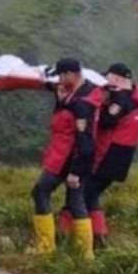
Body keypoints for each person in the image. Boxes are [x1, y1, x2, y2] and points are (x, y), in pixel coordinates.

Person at [31, 58, 102, 259]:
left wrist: (76, 171)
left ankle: (45, 246)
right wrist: (61, 100)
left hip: (68, 159)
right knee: (76, 201)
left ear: (73, 74)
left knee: (40, 191)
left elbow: (84, 140)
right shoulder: (82, 93)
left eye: (63, 75)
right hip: (67, 156)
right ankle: (84, 254)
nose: (60, 80)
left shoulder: (82, 105)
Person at [86, 63, 138, 246]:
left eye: (108, 77)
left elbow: (106, 121)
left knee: (87, 195)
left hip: (110, 153)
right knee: (91, 194)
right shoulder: (137, 98)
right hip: (124, 154)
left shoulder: (121, 99)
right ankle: (97, 236)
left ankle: (97, 237)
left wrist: (99, 105)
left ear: (117, 78)